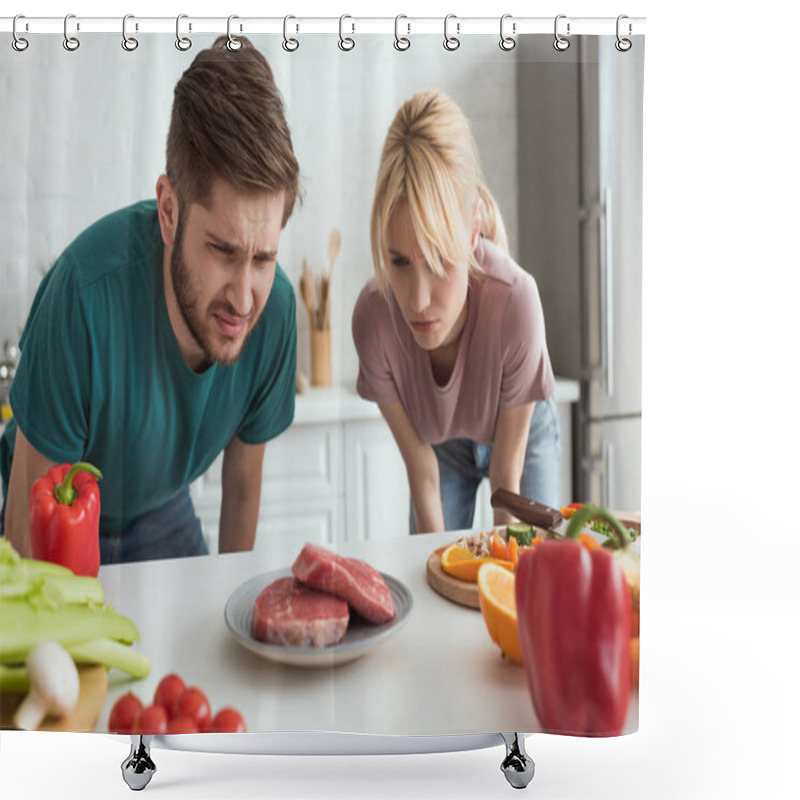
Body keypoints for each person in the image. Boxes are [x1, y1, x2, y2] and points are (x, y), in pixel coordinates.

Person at [0, 36, 300, 563]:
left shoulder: (274, 311)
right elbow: (32, 532)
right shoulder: (83, 298)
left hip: (160, 508)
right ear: (168, 210)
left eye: (262, 258)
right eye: (222, 250)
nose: (243, 298)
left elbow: (243, 487)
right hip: (54, 503)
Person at [352, 90, 560, 534]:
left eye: (439, 258)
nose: (418, 301)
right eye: (400, 262)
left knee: (532, 572)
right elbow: (422, 470)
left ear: (472, 232)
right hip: (441, 445)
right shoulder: (374, 322)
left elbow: (507, 483)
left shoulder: (518, 304)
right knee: (434, 576)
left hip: (523, 431)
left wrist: (500, 582)